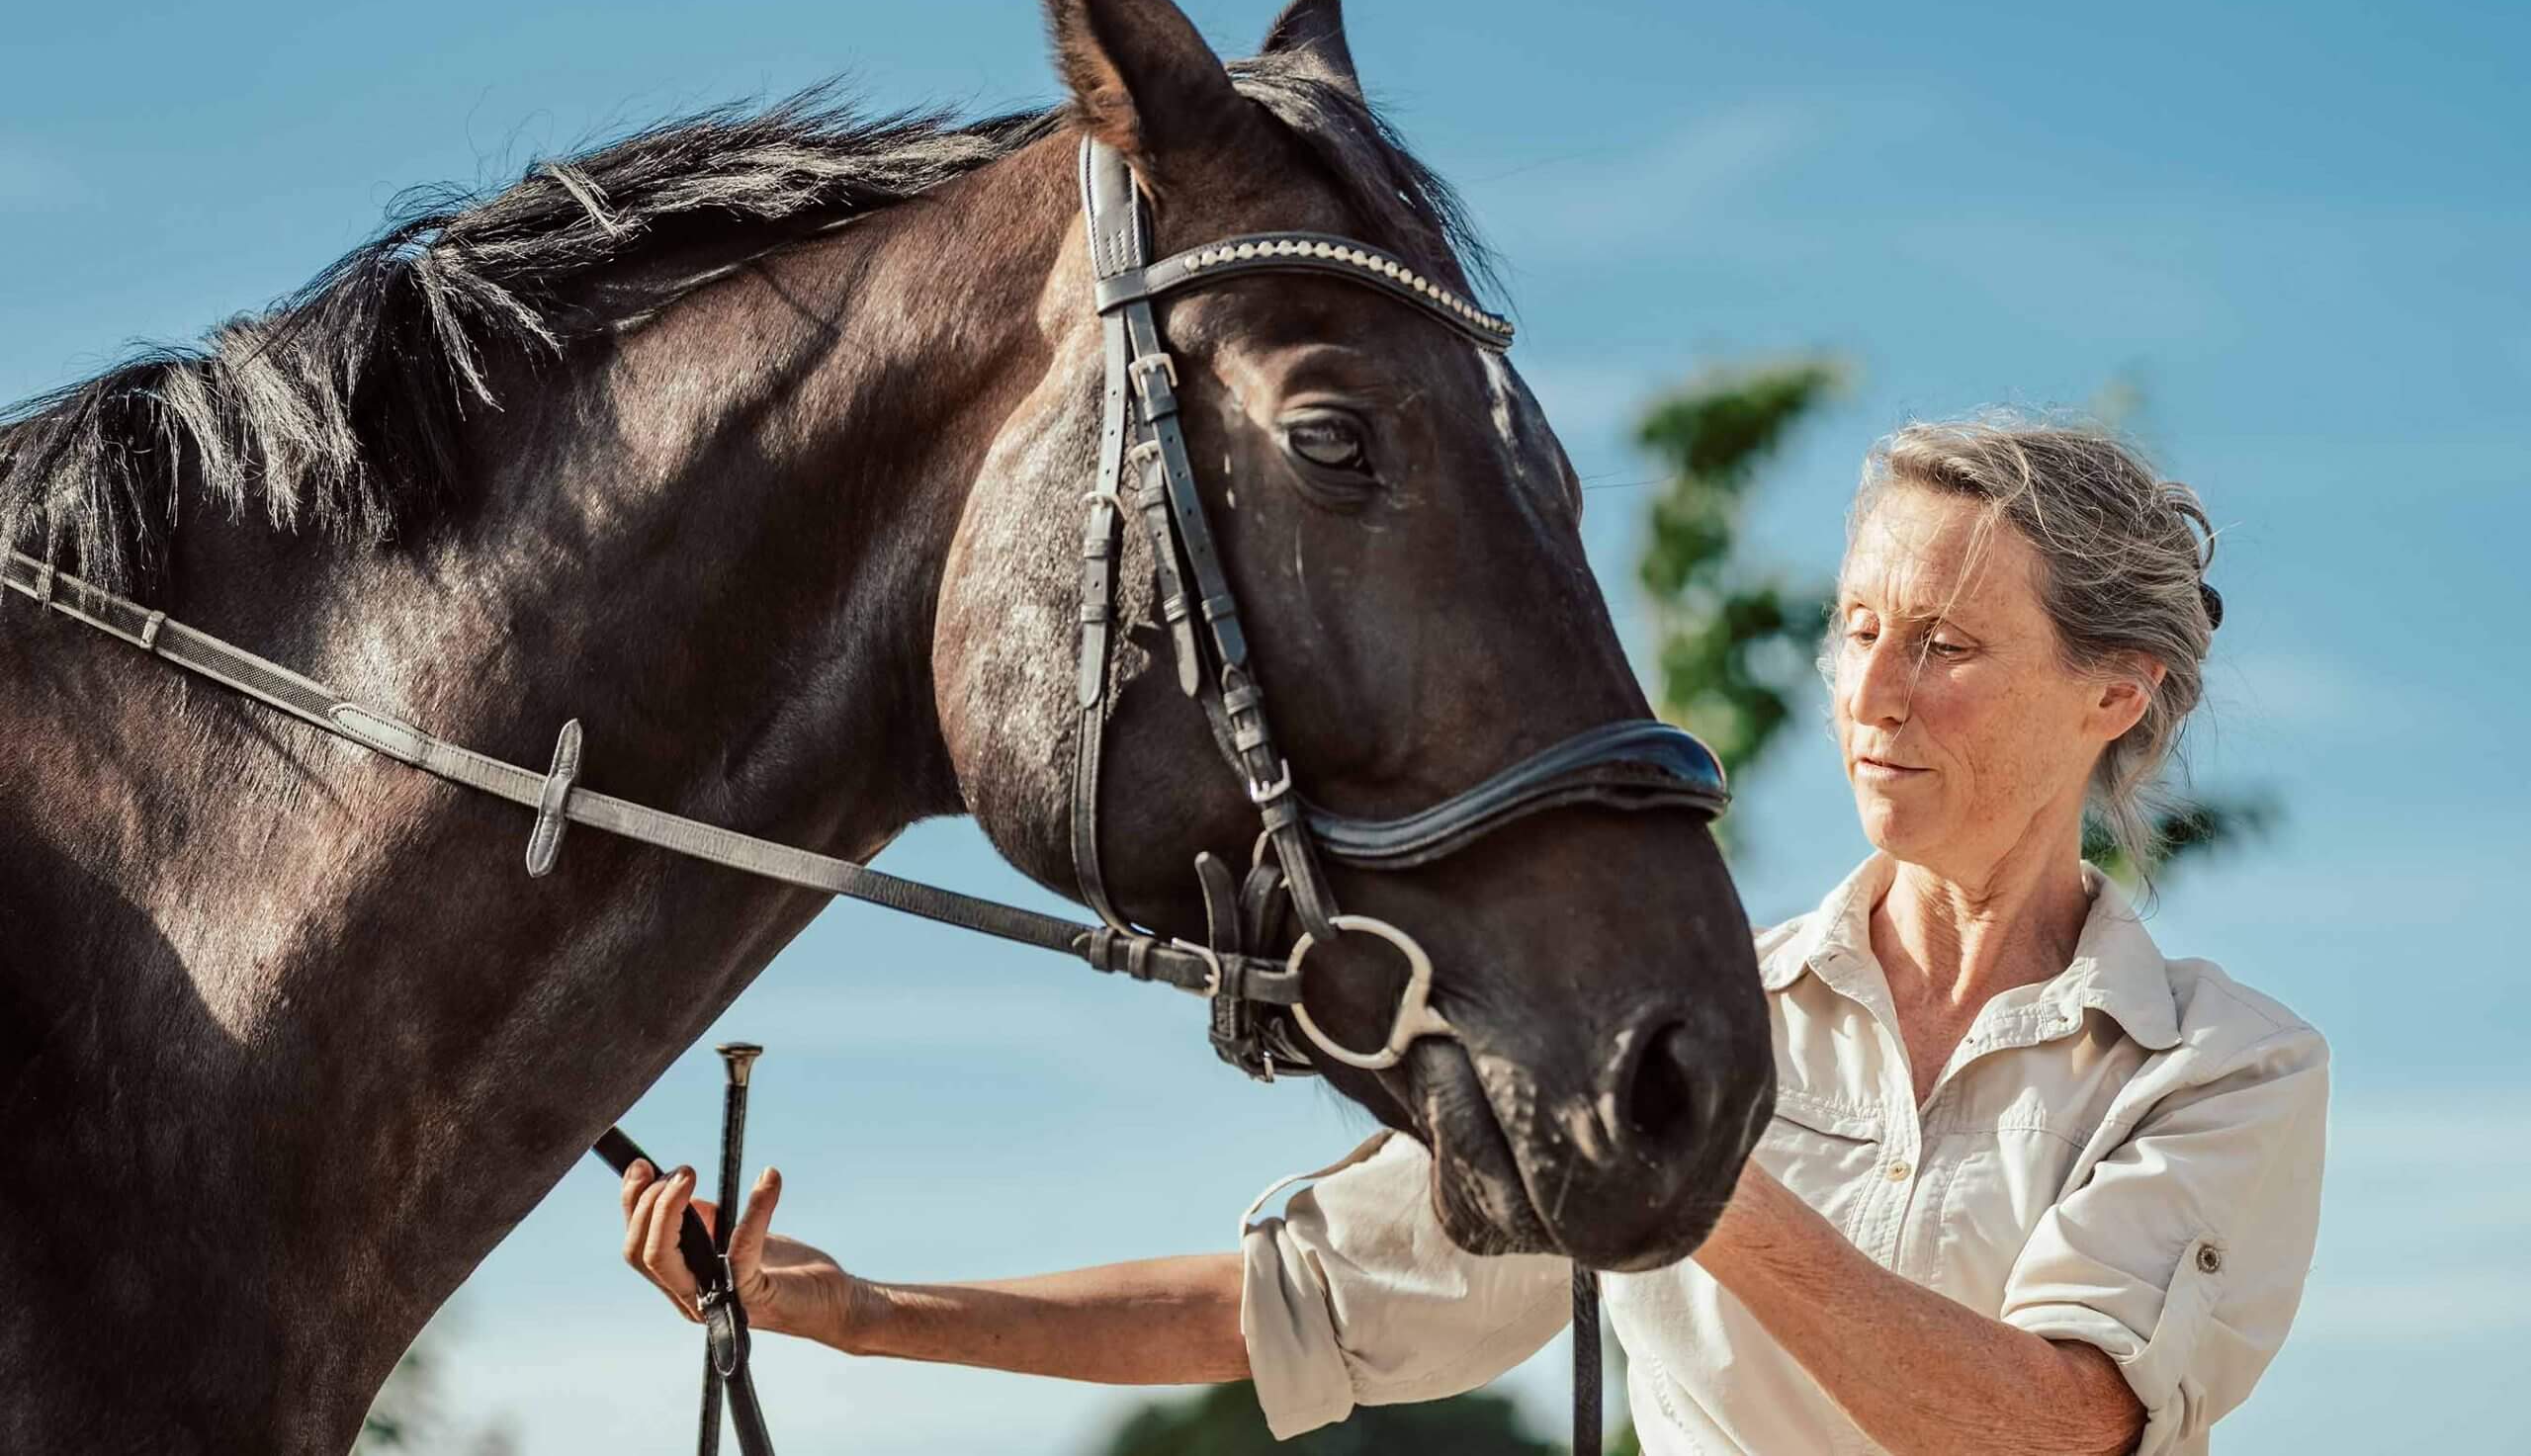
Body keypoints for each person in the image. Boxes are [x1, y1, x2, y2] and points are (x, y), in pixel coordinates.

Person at [616, 416, 2327, 1455]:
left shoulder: (2219, 1066)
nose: (1867, 694)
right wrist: (861, 1314)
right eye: (1856, 628)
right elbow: (1288, 1309)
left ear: (2117, 692)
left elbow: (2047, 1431)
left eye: (1944, 645)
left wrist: (1686, 1168)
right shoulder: (1691, 1013)